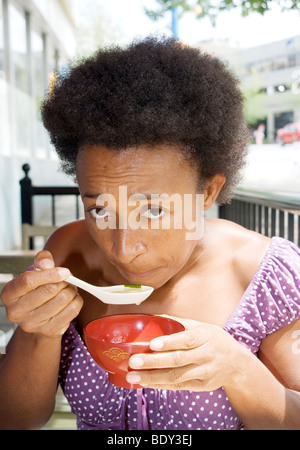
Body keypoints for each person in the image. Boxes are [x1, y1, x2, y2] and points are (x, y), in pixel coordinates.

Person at [0, 37, 299, 430]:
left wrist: (239, 368)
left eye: (154, 210)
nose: (123, 249)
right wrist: (37, 333)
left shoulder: (261, 274)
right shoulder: (69, 256)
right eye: (100, 210)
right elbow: (14, 420)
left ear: (206, 192)